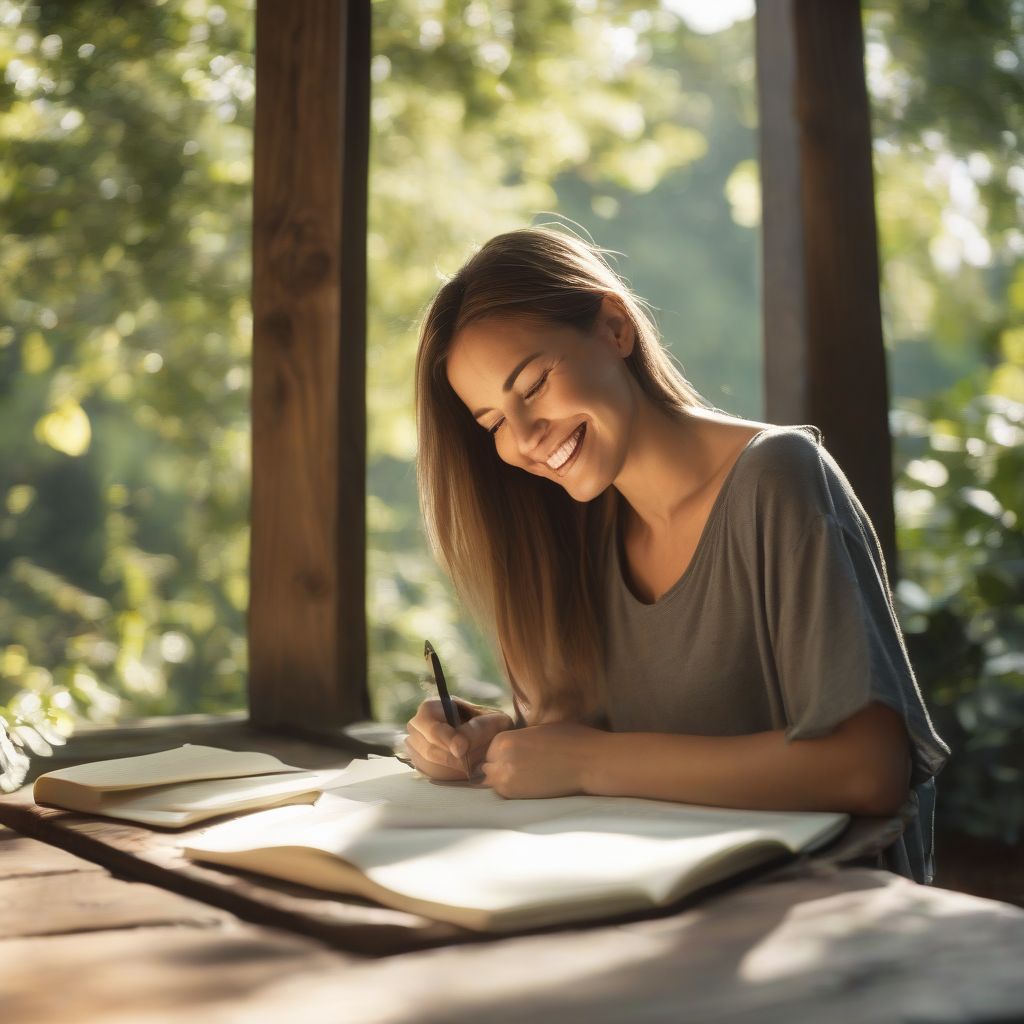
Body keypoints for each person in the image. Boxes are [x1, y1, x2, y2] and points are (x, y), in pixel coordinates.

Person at [405, 225, 950, 884]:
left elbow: (867, 769)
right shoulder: (568, 538)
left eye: (535, 385)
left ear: (614, 328)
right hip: (645, 909)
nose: (523, 438)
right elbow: (592, 739)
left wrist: (586, 763)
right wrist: (494, 743)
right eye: (493, 422)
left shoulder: (778, 477)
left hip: (815, 917)